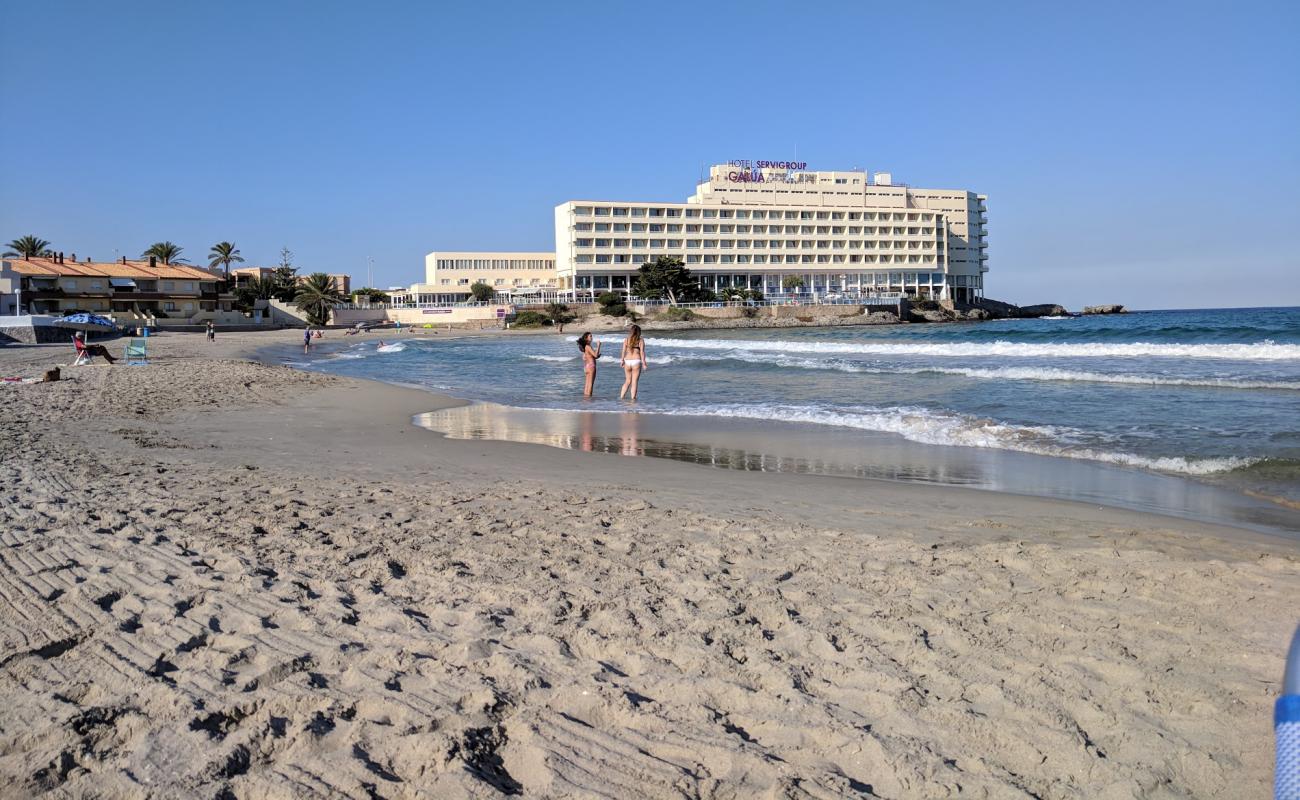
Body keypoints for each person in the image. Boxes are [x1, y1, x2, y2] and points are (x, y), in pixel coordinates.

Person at [619, 324, 647, 401]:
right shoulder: (640, 340)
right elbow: (642, 352)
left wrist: (622, 360)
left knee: (627, 381)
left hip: (627, 361)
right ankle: (633, 400)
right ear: (639, 332)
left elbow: (623, 351)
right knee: (634, 382)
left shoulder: (626, 340)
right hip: (636, 361)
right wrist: (644, 363)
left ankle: (621, 398)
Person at [577, 332, 601, 398]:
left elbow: (587, 357)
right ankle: (589, 401)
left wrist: (596, 355)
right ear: (586, 338)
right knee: (590, 385)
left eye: (591, 336)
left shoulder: (585, 347)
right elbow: (595, 355)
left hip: (586, 367)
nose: (592, 337)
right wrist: (599, 345)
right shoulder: (588, 346)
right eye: (590, 336)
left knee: (587, 385)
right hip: (591, 366)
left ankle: (585, 399)